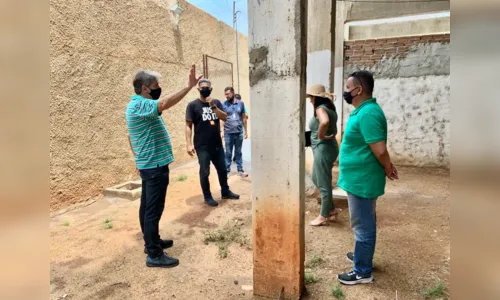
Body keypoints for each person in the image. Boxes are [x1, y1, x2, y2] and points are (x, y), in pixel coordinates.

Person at [126, 65, 201, 268]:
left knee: (147, 206)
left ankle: (152, 241)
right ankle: (154, 254)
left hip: (150, 164)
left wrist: (138, 158)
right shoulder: (140, 105)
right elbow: (165, 103)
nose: (159, 88)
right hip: (154, 166)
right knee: (153, 209)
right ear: (144, 88)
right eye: (156, 85)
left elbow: (129, 136)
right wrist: (188, 87)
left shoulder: (138, 104)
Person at [336, 70, 399, 285]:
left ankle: (362, 271)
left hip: (362, 181)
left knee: (363, 225)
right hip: (358, 178)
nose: (345, 91)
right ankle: (362, 255)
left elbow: (380, 150)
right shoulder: (363, 111)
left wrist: (388, 166)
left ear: (358, 90)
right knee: (363, 221)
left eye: (347, 88)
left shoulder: (368, 113)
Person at [185, 79, 240, 207]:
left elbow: (224, 117)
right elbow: (188, 125)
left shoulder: (216, 103)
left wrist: (213, 107)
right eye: (202, 87)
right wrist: (188, 144)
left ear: (211, 89)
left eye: (207, 87)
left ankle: (225, 191)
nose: (205, 89)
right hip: (202, 146)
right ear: (198, 89)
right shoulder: (192, 105)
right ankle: (207, 196)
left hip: (217, 144)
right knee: (205, 172)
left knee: (222, 169)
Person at [305, 84, 341, 226]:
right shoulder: (330, 107)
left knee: (324, 183)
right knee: (316, 177)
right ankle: (331, 209)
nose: (310, 100)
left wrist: (320, 136)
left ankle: (323, 215)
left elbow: (324, 122)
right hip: (328, 147)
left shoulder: (320, 109)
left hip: (324, 148)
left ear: (315, 98)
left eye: (311, 97)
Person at [221, 87, 248, 177]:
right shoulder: (223, 104)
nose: (227, 96)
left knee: (238, 152)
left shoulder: (240, 103)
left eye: (228, 94)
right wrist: (221, 130)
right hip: (228, 132)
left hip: (239, 132)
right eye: (225, 94)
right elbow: (221, 118)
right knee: (228, 152)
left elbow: (244, 117)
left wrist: (246, 131)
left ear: (233, 93)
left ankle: (240, 170)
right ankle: (227, 171)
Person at [232, 94, 248, 164]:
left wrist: (245, 131)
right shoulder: (230, 105)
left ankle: (236, 158)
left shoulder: (242, 106)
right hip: (231, 129)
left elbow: (246, 117)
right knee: (231, 145)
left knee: (238, 146)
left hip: (239, 128)